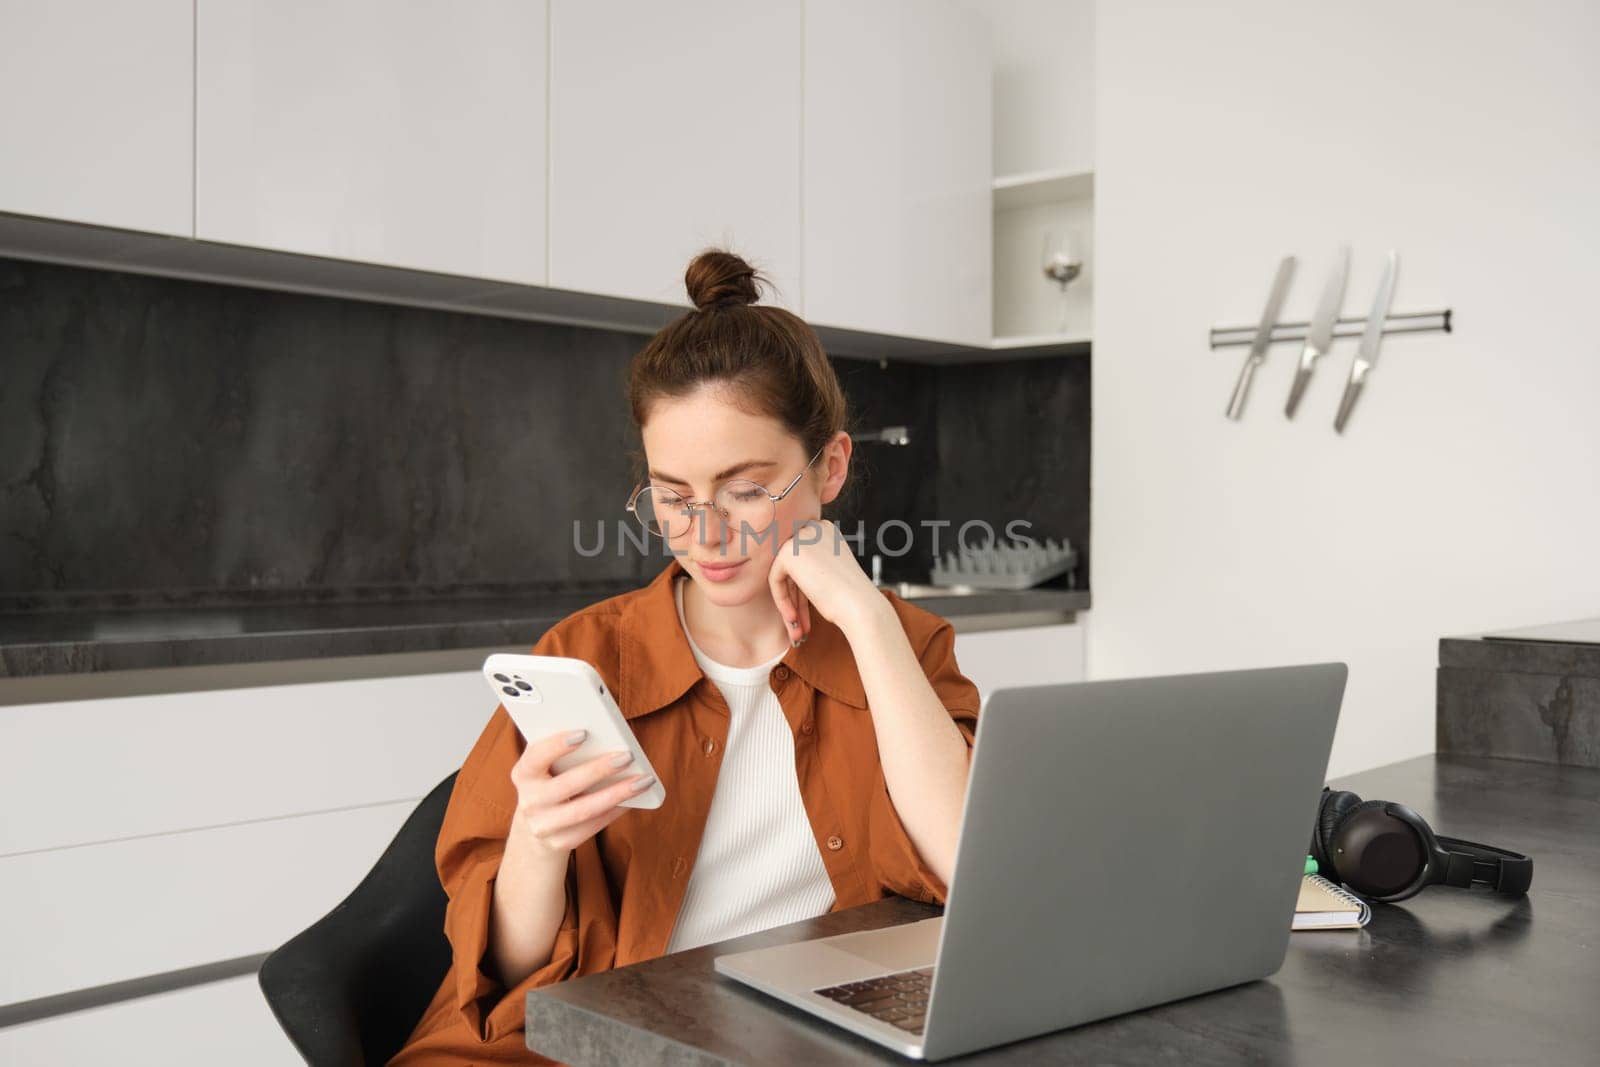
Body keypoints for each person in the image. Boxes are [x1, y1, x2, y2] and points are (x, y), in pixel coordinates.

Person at [389, 249, 982, 1065]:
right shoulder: (586, 655)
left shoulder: (907, 647)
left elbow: (975, 872)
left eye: (745, 489)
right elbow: (510, 978)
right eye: (673, 496)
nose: (705, 533)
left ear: (831, 467)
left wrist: (869, 623)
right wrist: (538, 840)